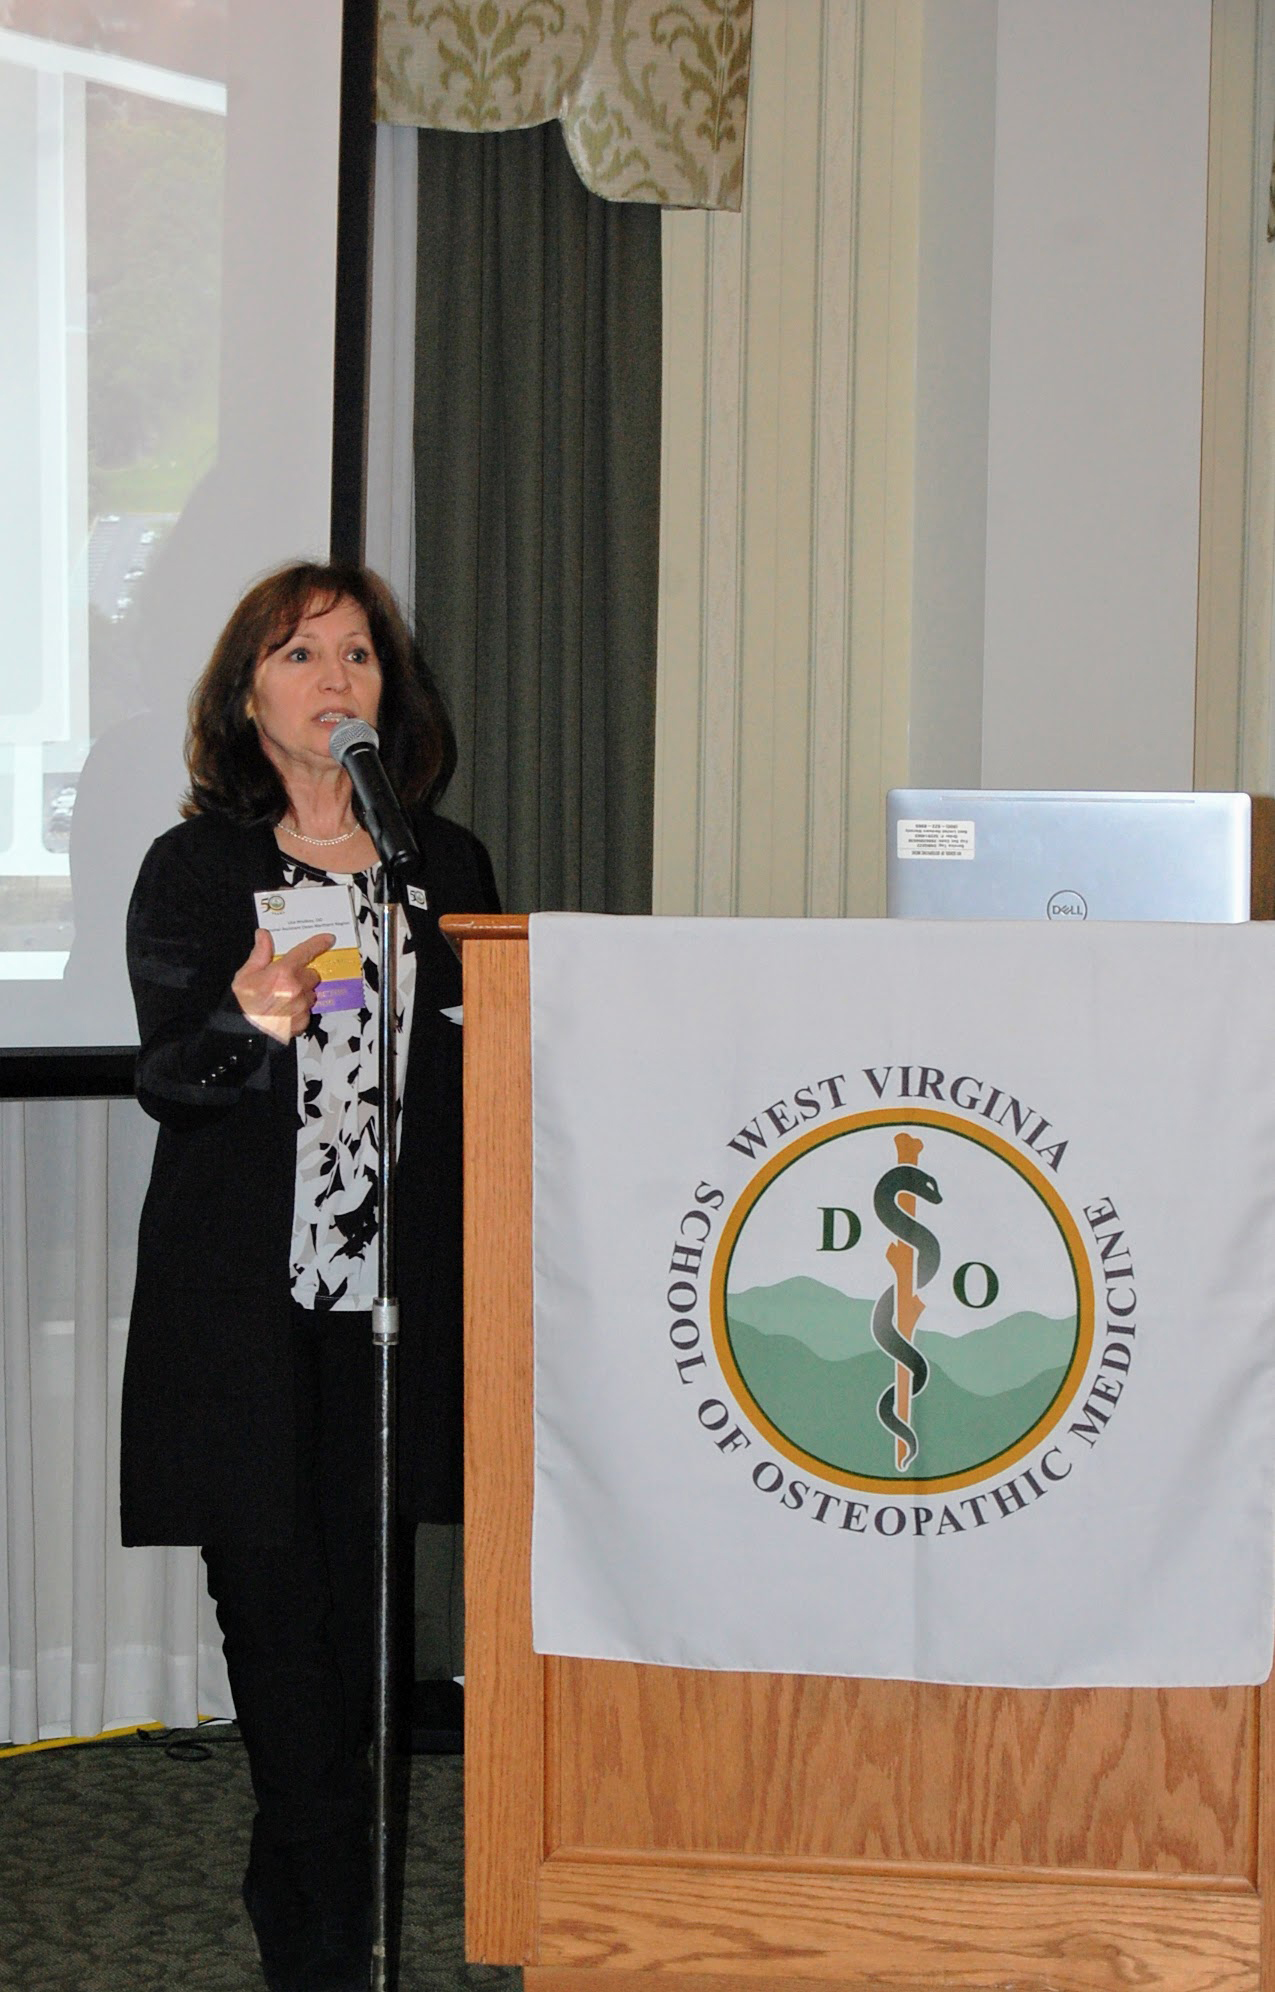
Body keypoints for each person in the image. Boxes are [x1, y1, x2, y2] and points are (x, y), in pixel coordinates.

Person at [120, 561, 499, 1991]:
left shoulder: (440, 869)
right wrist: (244, 1018)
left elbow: (477, 1080)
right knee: (291, 1685)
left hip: (390, 1337)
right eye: (298, 655)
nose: (335, 678)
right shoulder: (201, 872)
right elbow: (172, 1077)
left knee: (350, 1684)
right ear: (246, 697)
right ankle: (326, 1954)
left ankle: (307, 1912)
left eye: (357, 655)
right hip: (251, 1331)